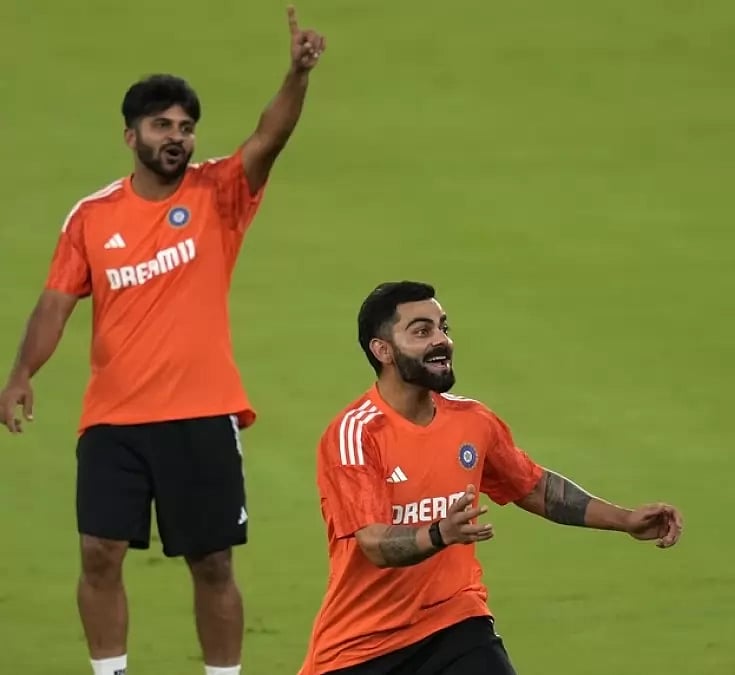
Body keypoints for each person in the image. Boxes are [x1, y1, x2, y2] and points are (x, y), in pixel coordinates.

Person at [0, 8, 326, 675]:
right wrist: (21, 373)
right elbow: (54, 303)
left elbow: (270, 136)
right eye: (161, 126)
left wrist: (296, 73)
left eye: (184, 127)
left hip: (202, 412)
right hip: (115, 419)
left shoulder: (219, 193)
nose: (175, 137)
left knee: (212, 561)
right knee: (98, 551)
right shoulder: (93, 217)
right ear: (131, 135)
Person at [298, 281, 685, 675]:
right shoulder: (356, 434)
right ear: (383, 351)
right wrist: (438, 534)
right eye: (421, 331)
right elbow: (374, 543)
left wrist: (625, 519)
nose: (442, 341)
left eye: (443, 328)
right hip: (362, 648)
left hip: (454, 621)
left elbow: (533, 487)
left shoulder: (472, 420)